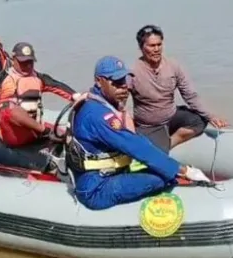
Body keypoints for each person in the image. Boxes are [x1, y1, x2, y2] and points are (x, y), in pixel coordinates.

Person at [65, 55, 212, 211]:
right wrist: (184, 171)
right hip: (96, 188)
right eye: (116, 82)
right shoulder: (97, 115)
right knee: (161, 178)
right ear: (99, 81)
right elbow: (134, 146)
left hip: (108, 174)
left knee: (158, 167)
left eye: (125, 81)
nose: (124, 87)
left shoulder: (101, 104)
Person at [0, 42, 80, 172]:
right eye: (23, 62)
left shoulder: (39, 78)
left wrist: (76, 96)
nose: (27, 66)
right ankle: (44, 133)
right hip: (13, 134)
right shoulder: (1, 79)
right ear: (13, 60)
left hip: (33, 131)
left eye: (30, 62)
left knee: (66, 134)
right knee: (8, 108)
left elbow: (58, 87)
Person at [130, 25, 229, 153]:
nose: (156, 49)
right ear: (141, 47)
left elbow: (190, 95)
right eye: (152, 46)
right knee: (149, 153)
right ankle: (158, 147)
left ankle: (169, 144)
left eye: (159, 45)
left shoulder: (173, 66)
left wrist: (211, 116)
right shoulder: (132, 71)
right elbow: (118, 100)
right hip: (149, 125)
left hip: (171, 116)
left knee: (199, 121)